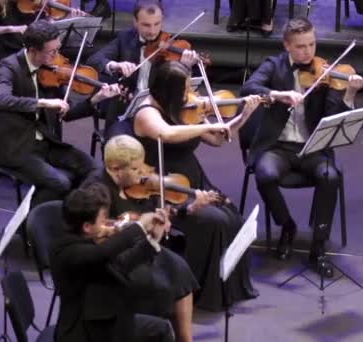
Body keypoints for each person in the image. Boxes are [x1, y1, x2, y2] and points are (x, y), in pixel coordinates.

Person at [107, 58, 262, 311]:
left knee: (231, 215)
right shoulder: (147, 112)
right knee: (213, 221)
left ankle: (228, 288)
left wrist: (242, 116)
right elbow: (166, 134)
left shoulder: (185, 109)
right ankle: (196, 290)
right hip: (163, 185)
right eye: (184, 89)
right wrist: (201, 125)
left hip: (192, 176)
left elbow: (219, 138)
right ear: (168, 90)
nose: (191, 94)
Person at [239, 17, 363, 277]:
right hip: (278, 147)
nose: (308, 51)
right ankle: (287, 226)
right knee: (265, 174)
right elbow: (249, 87)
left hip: (312, 148)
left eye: (312, 44)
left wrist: (349, 95)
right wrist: (278, 95)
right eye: (301, 46)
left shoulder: (326, 73)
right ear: (287, 46)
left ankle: (318, 247)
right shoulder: (273, 67)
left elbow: (333, 115)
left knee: (330, 176)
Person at [82, 135, 204, 342]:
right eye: (136, 170)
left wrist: (184, 210)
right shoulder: (95, 191)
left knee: (180, 267)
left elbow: (142, 218)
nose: (142, 175)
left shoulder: (130, 186)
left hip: (140, 246)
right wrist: (137, 230)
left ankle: (185, 339)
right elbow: (95, 236)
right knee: (160, 285)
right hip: (114, 260)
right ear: (114, 167)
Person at [0, 19, 121, 207]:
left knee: (95, 170)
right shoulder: (10, 67)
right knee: (59, 182)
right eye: (51, 52)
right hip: (18, 145)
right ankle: (28, 228)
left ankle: (71, 214)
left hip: (46, 142)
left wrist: (96, 99)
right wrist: (42, 103)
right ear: (33, 51)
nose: (56, 56)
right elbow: (1, 99)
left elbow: (66, 114)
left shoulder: (51, 73)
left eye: (57, 49)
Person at [50, 182, 175, 342]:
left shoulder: (86, 241)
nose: (107, 224)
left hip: (104, 316)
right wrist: (140, 226)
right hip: (84, 331)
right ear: (87, 226)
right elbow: (102, 253)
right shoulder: (66, 250)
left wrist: (152, 239)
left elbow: (120, 265)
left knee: (161, 328)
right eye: (102, 219)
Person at [86, 0, 200, 129]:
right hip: (125, 109)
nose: (152, 31)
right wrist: (114, 65)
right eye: (146, 25)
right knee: (120, 145)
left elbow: (185, 90)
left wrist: (185, 67)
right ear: (135, 22)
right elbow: (94, 60)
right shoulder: (125, 38)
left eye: (157, 24)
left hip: (158, 112)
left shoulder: (171, 45)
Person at [0, 0, 88, 67]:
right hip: (11, 54)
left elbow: (51, 33)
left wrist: (68, 19)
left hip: (37, 54)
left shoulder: (41, 3)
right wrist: (11, 28)